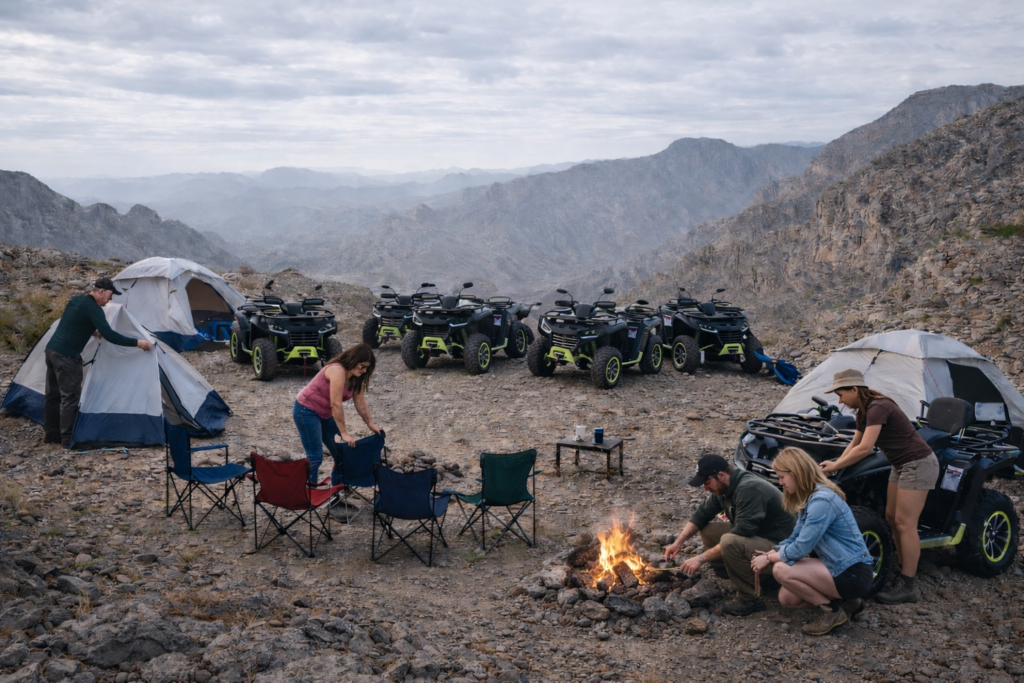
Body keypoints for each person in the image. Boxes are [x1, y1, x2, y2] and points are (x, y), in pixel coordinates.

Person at [819, 368, 939, 605]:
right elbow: (855, 443)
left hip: (917, 463)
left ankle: (908, 586)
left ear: (855, 389)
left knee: (906, 523)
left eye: (841, 394)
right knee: (891, 518)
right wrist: (836, 465)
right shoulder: (863, 411)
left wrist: (835, 466)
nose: (839, 400)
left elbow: (865, 449)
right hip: (899, 464)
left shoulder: (879, 407)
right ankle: (904, 567)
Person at [751, 447, 873, 636]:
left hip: (852, 573)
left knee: (780, 569)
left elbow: (801, 548)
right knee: (787, 599)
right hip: (835, 567)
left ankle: (832, 612)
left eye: (782, 477)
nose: (781, 482)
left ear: (796, 473)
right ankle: (847, 602)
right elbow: (795, 538)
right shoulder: (809, 498)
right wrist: (769, 553)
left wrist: (770, 559)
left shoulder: (821, 501)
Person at [665, 453, 796, 616]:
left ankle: (749, 598)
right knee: (709, 531)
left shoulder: (748, 489)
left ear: (721, 475)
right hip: (760, 536)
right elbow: (701, 515)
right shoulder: (724, 488)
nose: (706, 489)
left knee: (729, 541)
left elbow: (740, 533)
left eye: (707, 483)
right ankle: (731, 570)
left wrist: (700, 558)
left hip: (780, 546)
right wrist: (678, 542)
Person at [44, 278, 153, 448]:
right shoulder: (95, 309)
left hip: (51, 351)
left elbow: (73, 322)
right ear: (101, 292)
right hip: (67, 357)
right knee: (70, 398)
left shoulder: (76, 300)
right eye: (110, 295)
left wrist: (93, 332)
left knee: (53, 396)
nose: (110, 300)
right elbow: (110, 335)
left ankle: (51, 435)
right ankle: (67, 440)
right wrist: (137, 343)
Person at [293, 342, 381, 485]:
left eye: (367, 368)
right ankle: (307, 497)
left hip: (325, 414)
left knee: (342, 454)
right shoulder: (337, 370)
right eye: (362, 366)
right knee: (315, 456)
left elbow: (360, 401)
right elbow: (336, 404)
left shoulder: (355, 377)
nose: (364, 371)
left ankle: (336, 494)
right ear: (353, 360)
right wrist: (344, 432)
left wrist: (370, 423)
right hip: (306, 411)